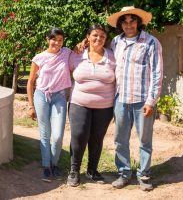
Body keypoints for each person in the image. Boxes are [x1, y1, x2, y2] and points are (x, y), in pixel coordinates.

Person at [107, 6, 163, 191]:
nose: (129, 25)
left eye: (132, 21)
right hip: (121, 99)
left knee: (144, 140)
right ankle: (124, 173)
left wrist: (151, 101)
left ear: (138, 22)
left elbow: (157, 73)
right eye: (125, 21)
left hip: (142, 101)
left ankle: (144, 175)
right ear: (121, 24)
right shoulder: (116, 42)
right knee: (120, 139)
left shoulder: (151, 42)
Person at [66, 24, 116, 187]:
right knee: (78, 137)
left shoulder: (112, 56)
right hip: (79, 103)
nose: (98, 39)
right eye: (95, 35)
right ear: (88, 37)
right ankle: (74, 171)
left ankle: (92, 170)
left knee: (97, 139)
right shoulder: (76, 55)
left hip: (105, 106)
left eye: (102, 36)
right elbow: (65, 71)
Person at [27, 28, 74, 182]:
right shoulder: (39, 58)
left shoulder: (66, 53)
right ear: (48, 39)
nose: (57, 43)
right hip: (41, 96)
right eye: (54, 39)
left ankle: (54, 164)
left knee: (58, 135)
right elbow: (31, 82)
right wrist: (30, 106)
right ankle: (47, 167)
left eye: (60, 40)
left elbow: (80, 48)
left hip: (59, 97)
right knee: (45, 133)